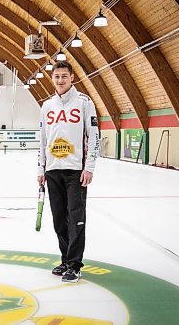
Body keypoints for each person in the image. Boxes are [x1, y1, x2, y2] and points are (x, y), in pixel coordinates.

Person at [37, 61, 100, 283]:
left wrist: (89, 167)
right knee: (59, 221)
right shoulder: (47, 106)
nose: (61, 80)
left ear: (72, 77)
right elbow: (42, 140)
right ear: (52, 78)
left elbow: (94, 136)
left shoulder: (84, 102)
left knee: (76, 219)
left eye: (64, 76)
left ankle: (75, 264)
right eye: (57, 77)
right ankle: (65, 259)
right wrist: (41, 168)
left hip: (76, 171)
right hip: (53, 171)